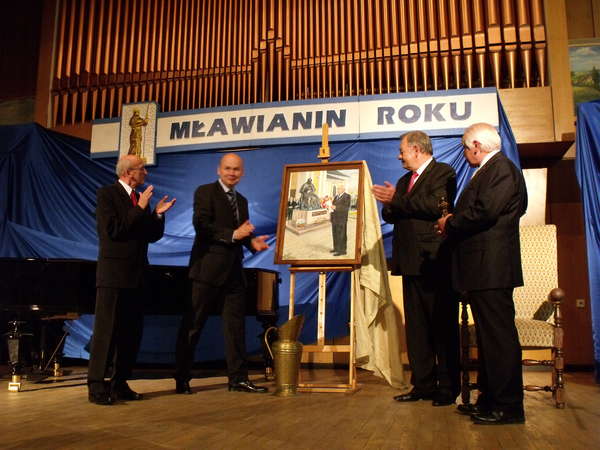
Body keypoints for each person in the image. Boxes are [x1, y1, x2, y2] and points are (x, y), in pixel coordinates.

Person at [437, 122, 527, 425]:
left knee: (498, 339)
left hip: (492, 267)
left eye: (465, 147)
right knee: (489, 341)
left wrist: (450, 223)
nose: (464, 153)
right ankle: (489, 401)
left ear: (476, 146)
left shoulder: (500, 168)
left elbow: (485, 211)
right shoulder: (491, 169)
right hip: (483, 267)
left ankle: (508, 407)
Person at [372, 130, 460, 407]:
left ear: (417, 149)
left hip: (434, 261)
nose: (399, 156)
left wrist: (397, 201)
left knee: (442, 327)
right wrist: (390, 202)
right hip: (410, 261)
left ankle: (447, 387)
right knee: (417, 329)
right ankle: (422, 385)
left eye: (402, 150)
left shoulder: (443, 172)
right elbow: (391, 214)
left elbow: (435, 206)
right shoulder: (403, 181)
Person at [175, 153, 270, 394]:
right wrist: (233, 235)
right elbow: (202, 226)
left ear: (242, 173)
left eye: (236, 169)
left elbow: (242, 232)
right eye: (228, 168)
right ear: (219, 170)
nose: (232, 173)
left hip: (234, 272)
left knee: (236, 328)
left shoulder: (242, 200)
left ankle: (238, 379)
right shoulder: (205, 192)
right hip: (206, 270)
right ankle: (182, 378)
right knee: (193, 326)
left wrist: (252, 242)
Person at [88, 155, 176, 405]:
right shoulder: (107, 194)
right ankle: (96, 386)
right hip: (113, 277)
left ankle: (119, 383)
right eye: (141, 169)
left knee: (130, 333)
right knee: (106, 332)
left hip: (137, 276)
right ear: (128, 173)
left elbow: (150, 236)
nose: (145, 172)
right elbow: (113, 231)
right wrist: (139, 208)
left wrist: (157, 215)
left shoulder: (140, 198)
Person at [330, 183, 351, 256]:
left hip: (342, 220)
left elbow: (346, 207)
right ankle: (336, 248)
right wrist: (330, 207)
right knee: (335, 234)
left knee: (341, 235)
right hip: (334, 219)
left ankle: (342, 251)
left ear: (343, 189)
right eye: (337, 188)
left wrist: (336, 207)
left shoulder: (347, 196)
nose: (338, 190)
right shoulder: (336, 197)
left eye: (339, 188)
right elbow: (333, 206)